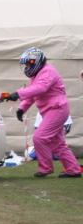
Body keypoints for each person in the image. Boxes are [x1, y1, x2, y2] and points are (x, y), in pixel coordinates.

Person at [5, 47, 80, 178]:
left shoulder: (48, 71)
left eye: (28, 63)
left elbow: (40, 88)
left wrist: (18, 94)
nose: (27, 67)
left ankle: (46, 168)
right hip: (53, 110)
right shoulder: (38, 74)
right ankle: (73, 169)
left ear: (36, 61)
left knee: (39, 137)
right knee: (58, 143)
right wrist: (22, 108)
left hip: (57, 109)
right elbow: (33, 93)